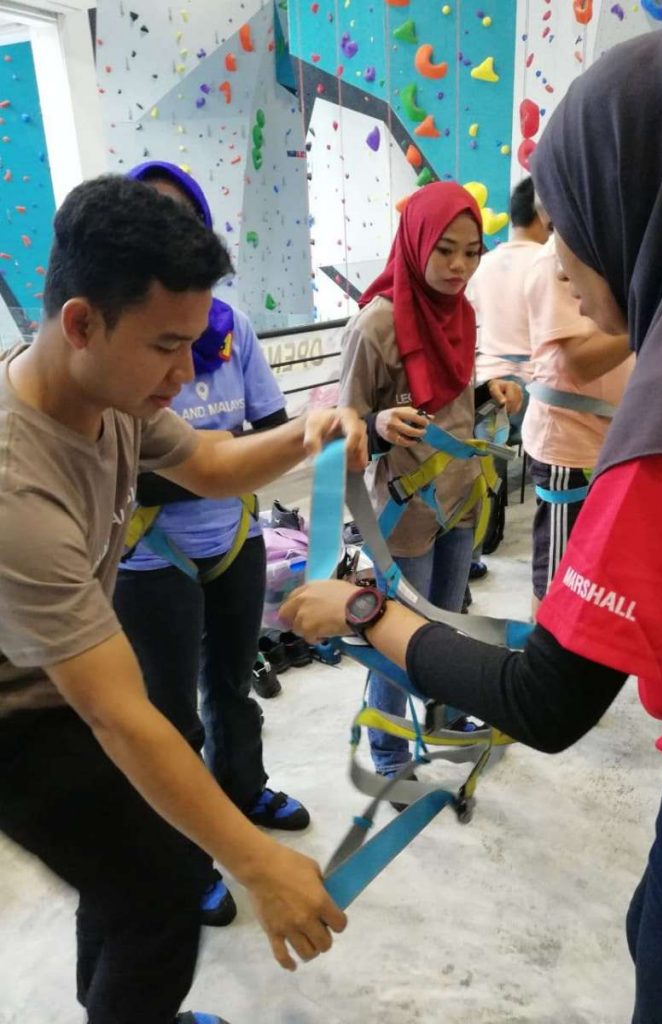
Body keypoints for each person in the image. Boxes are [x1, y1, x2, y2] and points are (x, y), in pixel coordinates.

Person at [282, 17, 662, 1023]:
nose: (552, 268)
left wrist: (362, 611)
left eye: (571, 221)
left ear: (650, 202)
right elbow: (346, 415)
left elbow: (545, 698)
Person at [0, 175, 364, 1024]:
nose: (186, 371)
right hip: (16, 715)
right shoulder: (17, 488)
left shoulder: (109, 393)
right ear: (81, 322)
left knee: (131, 870)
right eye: (167, 345)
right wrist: (259, 866)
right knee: (164, 884)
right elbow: (121, 717)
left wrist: (308, 433)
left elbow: (207, 463)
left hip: (56, 682)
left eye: (194, 342)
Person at [113, 163, 308, 929]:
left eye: (181, 222)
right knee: (167, 720)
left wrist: (220, 461)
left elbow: (270, 435)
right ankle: (184, 858)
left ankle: (241, 789)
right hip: (149, 553)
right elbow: (127, 479)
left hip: (233, 537)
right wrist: (220, 460)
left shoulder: (232, 331)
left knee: (231, 685)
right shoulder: (119, 345)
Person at [337, 181, 520, 783]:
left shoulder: (461, 314)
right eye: (445, 250)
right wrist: (377, 425)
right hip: (404, 508)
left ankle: (444, 712)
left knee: (448, 622)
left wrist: (486, 392)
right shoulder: (375, 326)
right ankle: (389, 751)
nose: (459, 266)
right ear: (416, 244)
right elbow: (340, 427)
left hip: (461, 497)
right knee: (399, 634)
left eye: (471, 252)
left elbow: (446, 400)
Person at [521, 235, 633, 615]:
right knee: (557, 582)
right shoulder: (554, 260)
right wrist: (654, 313)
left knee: (597, 572)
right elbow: (578, 363)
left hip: (612, 441)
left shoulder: (608, 247)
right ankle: (546, 648)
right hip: (570, 447)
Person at [466, 176, 550, 566]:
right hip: (535, 386)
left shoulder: (483, 265)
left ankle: (483, 539)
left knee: (488, 463)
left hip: (486, 383)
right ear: (543, 215)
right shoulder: (549, 262)